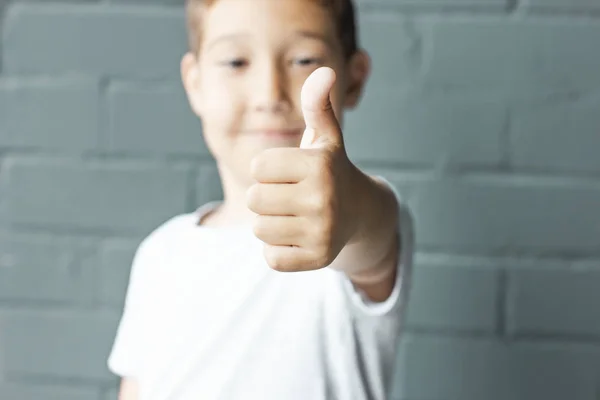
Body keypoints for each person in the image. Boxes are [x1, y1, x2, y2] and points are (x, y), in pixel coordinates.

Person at [107, 0, 414, 399]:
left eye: (304, 60)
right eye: (236, 62)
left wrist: (349, 209)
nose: (269, 95)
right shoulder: (160, 255)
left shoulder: (344, 223)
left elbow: (368, 228)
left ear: (353, 80)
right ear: (195, 83)